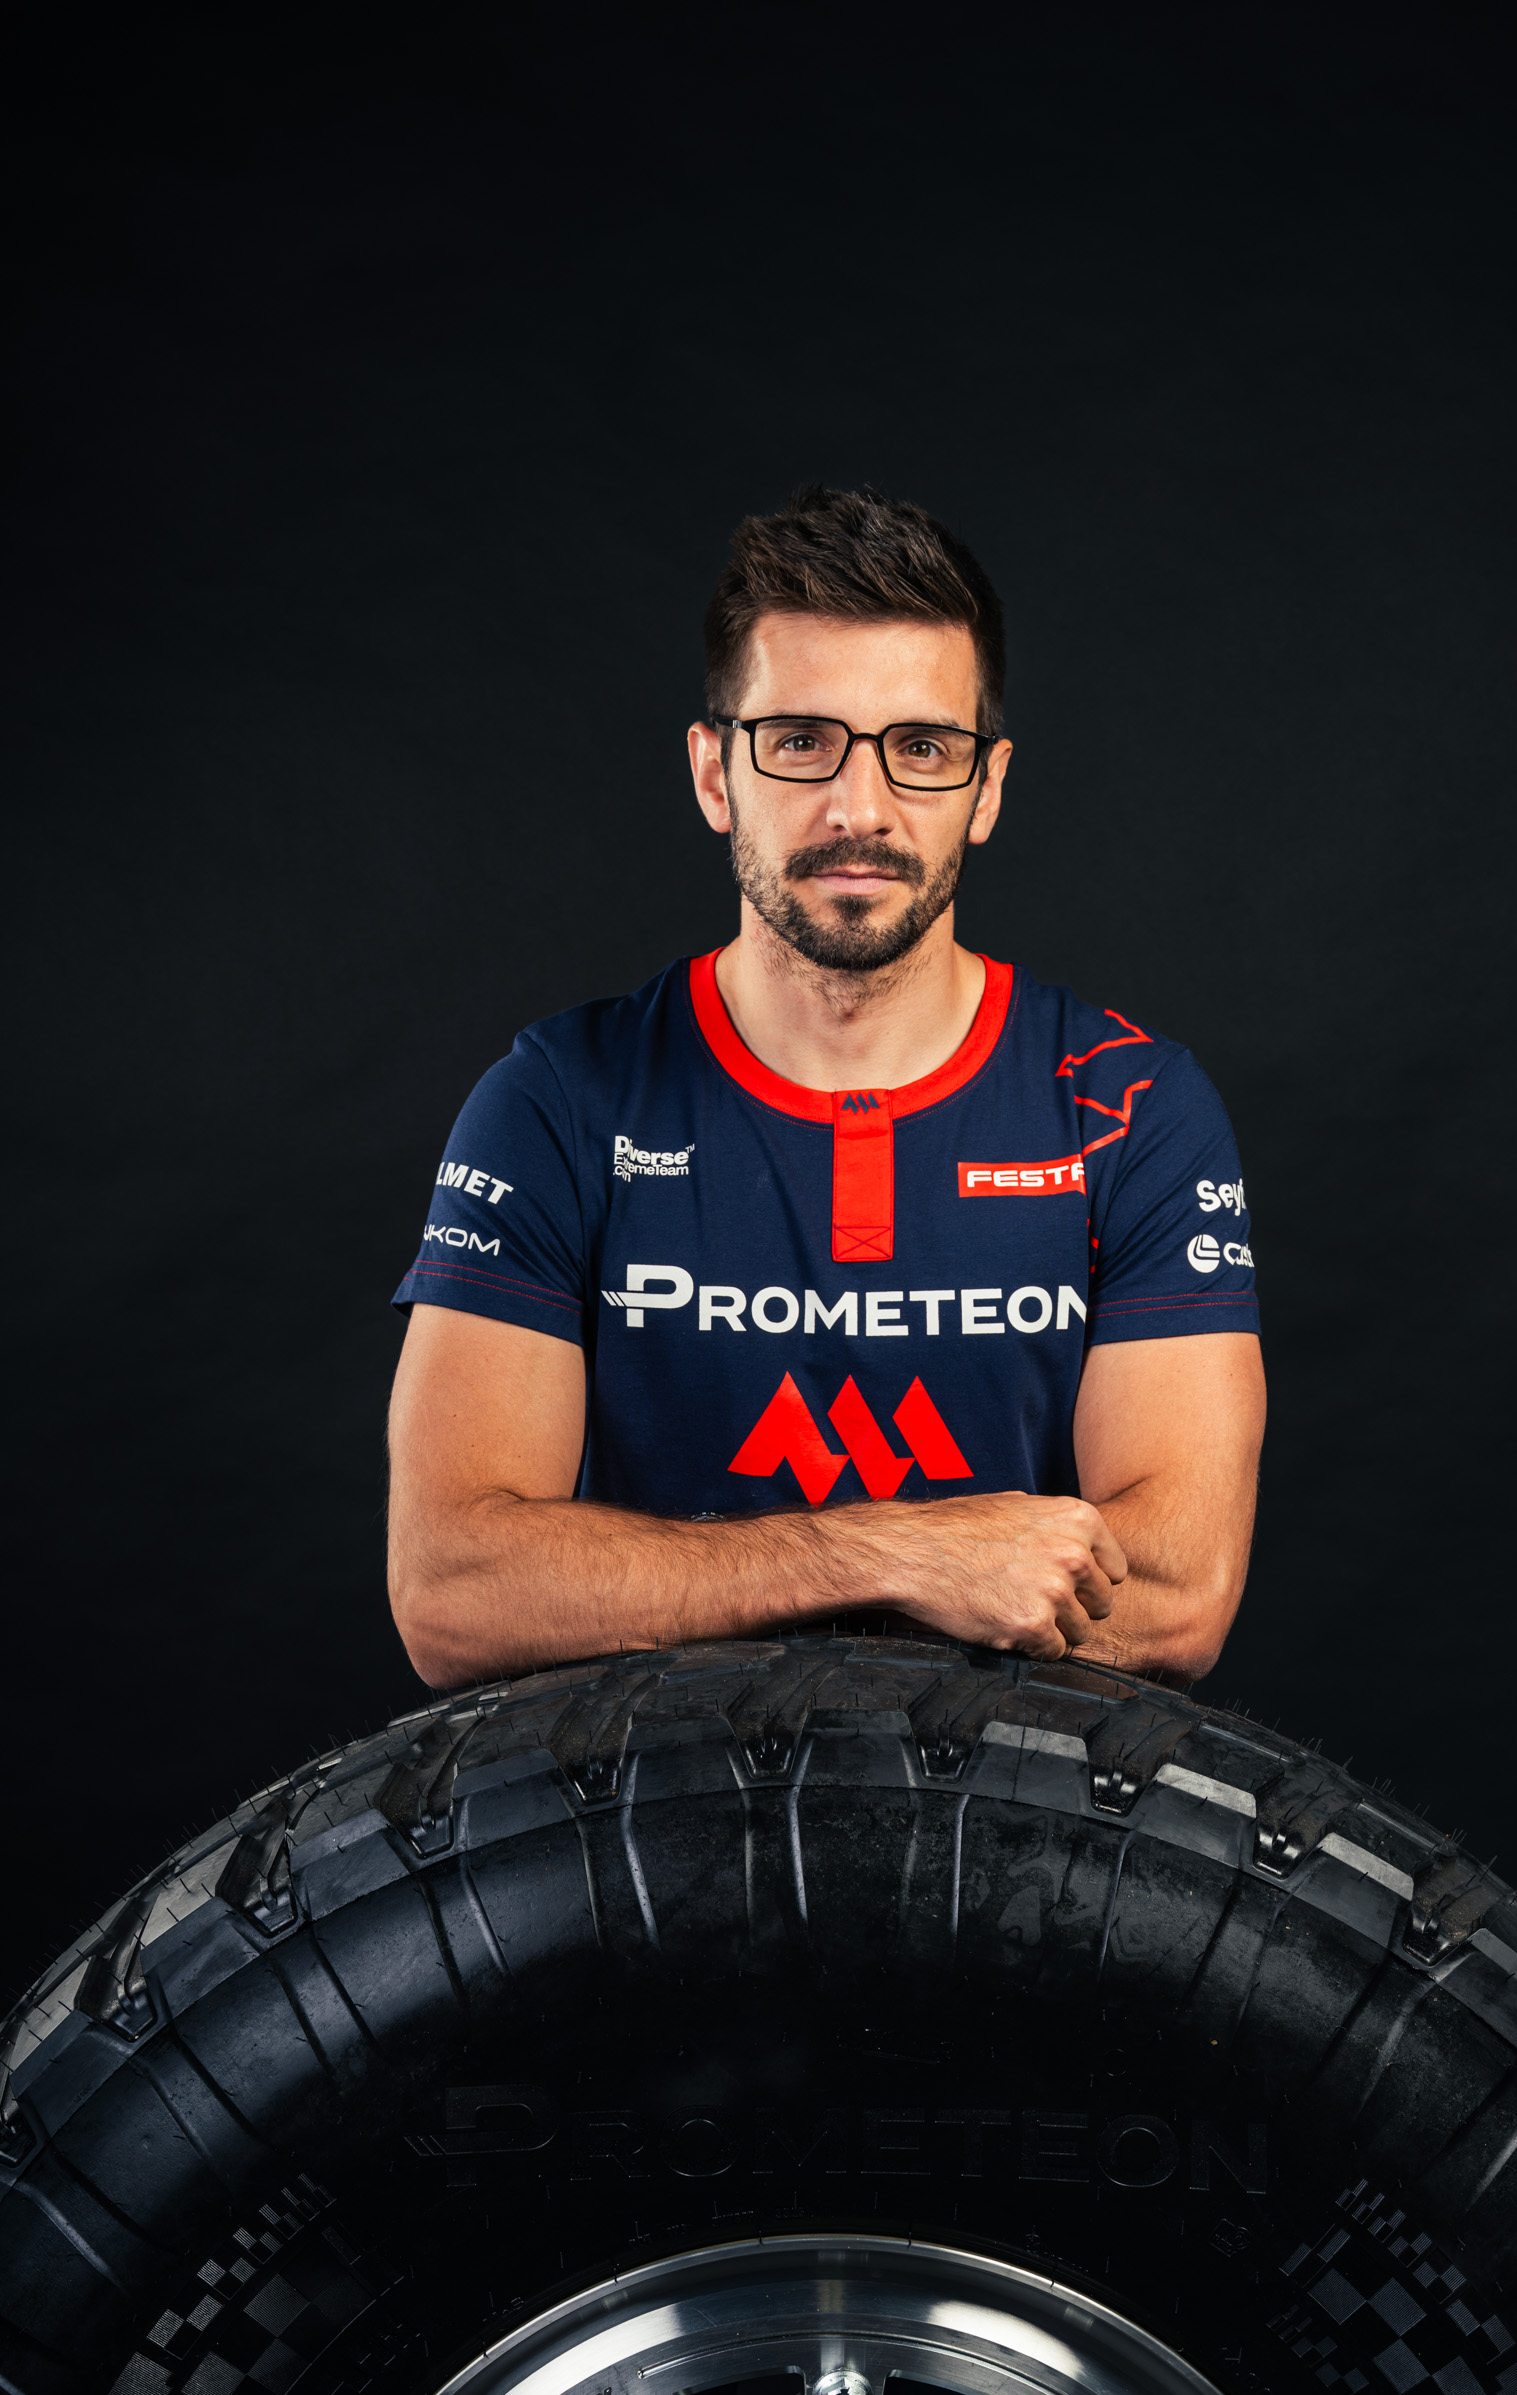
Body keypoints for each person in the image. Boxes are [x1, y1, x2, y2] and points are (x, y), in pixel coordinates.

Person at [387, 485, 1265, 1690]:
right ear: (713, 773)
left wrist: (706, 1587)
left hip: (1011, 1807)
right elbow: (453, 1589)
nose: (860, 809)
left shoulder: (1128, 1107)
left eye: (922, 749)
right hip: (648, 1798)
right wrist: (894, 1553)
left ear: (987, 788)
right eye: (800, 740)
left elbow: (1173, 1597)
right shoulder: (559, 1101)